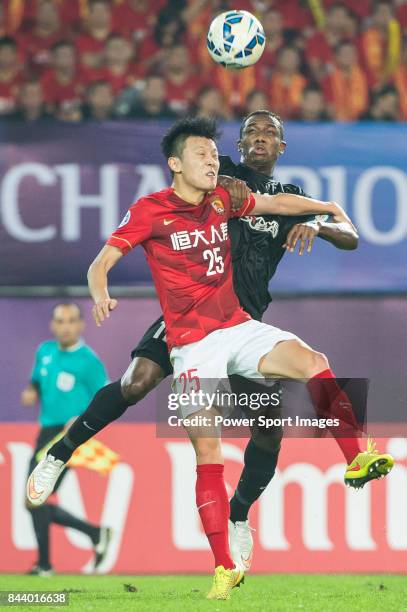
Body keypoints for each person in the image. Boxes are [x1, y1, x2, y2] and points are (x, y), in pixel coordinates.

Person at [28, 117, 393, 598]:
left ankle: (289, 491)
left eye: (269, 132)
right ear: (223, 150)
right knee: (141, 387)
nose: (254, 140)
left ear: (282, 146)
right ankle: (60, 452)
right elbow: (104, 260)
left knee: (283, 408)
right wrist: (100, 292)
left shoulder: (241, 196)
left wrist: (324, 214)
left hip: (241, 321)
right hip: (188, 332)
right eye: (246, 134)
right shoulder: (202, 187)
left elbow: (327, 225)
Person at [23, 303, 111, 576]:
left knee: (35, 497)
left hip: (70, 436)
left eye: (71, 321)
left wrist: (81, 418)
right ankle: (94, 533)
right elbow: (36, 381)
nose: (65, 327)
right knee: (36, 499)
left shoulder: (88, 360)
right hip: (46, 432)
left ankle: (45, 565)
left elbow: (106, 400)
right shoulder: (45, 352)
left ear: (81, 325)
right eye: (60, 321)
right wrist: (31, 392)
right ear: (53, 325)